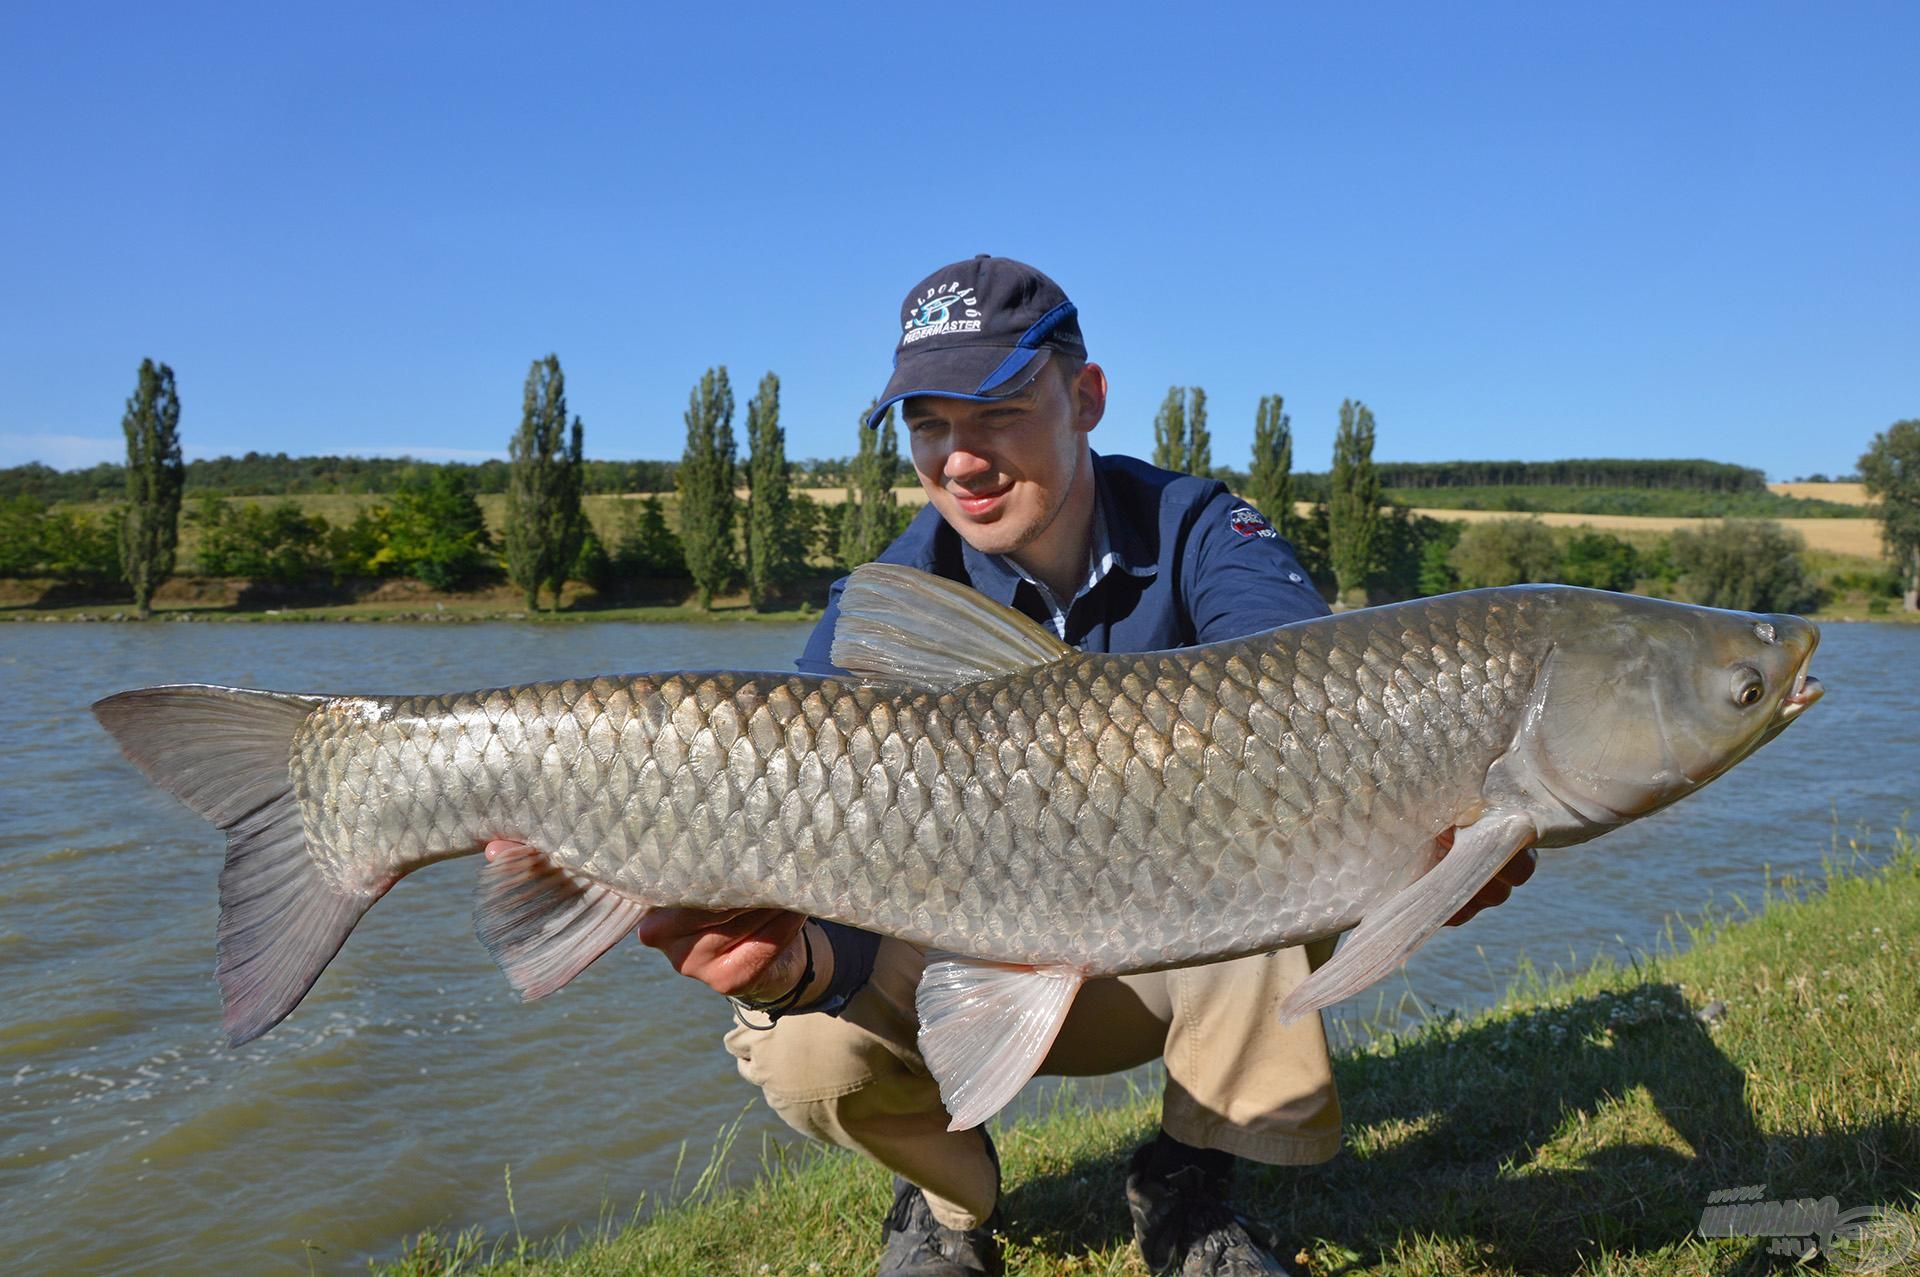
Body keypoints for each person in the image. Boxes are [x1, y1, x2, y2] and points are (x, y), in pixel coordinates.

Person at [586, 256, 1531, 1276]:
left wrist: (1441, 816)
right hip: (956, 954)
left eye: (994, 407)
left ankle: (1190, 1181)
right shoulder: (890, 597)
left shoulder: (1200, 529)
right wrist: (798, 961)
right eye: (927, 424)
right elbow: (830, 880)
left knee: (1269, 842)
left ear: (1085, 398)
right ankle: (948, 1201)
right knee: (798, 1036)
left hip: (1163, 952)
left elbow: (1314, 704)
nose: (959, 458)